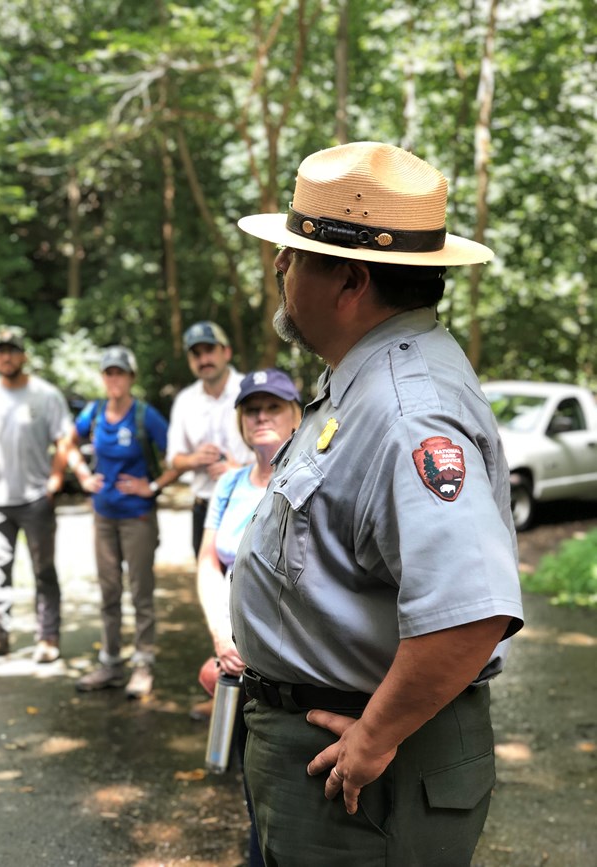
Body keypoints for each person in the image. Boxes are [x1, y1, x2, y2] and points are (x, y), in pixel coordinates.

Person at [230, 142, 525, 866]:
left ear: (350, 281)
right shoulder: (363, 380)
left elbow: (472, 609)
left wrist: (372, 737)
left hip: (362, 783)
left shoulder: (406, 409)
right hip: (320, 757)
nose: (279, 270)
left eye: (293, 257)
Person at [197, 368, 302, 867]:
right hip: (235, 658)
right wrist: (221, 635)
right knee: (251, 784)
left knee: (293, 795)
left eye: (274, 406)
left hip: (290, 664)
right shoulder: (230, 485)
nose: (261, 416)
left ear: (297, 415)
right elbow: (207, 564)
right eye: (252, 409)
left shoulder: (305, 481)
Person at [67, 346, 179, 698]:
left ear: (131, 377)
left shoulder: (146, 416)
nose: (114, 379)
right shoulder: (94, 412)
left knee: (140, 592)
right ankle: (111, 663)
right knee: (109, 591)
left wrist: (154, 486)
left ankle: (143, 664)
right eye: (108, 373)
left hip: (138, 517)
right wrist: (84, 476)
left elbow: (176, 458)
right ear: (103, 378)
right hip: (103, 516)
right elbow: (67, 444)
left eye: (120, 372)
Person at [0, 325, 71, 664]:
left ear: (23, 355)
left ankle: (48, 637)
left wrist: (54, 479)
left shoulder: (45, 394)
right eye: (0, 350)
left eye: (12, 350)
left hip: (35, 500)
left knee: (43, 570)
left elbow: (64, 439)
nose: (6, 356)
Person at [167, 321, 253, 557]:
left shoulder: (251, 390)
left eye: (209, 350)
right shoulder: (185, 401)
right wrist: (194, 459)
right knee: (208, 584)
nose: (203, 359)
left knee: (249, 588)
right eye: (196, 354)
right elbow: (174, 460)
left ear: (226, 351)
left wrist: (239, 471)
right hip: (204, 508)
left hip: (248, 504)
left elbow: (279, 453)